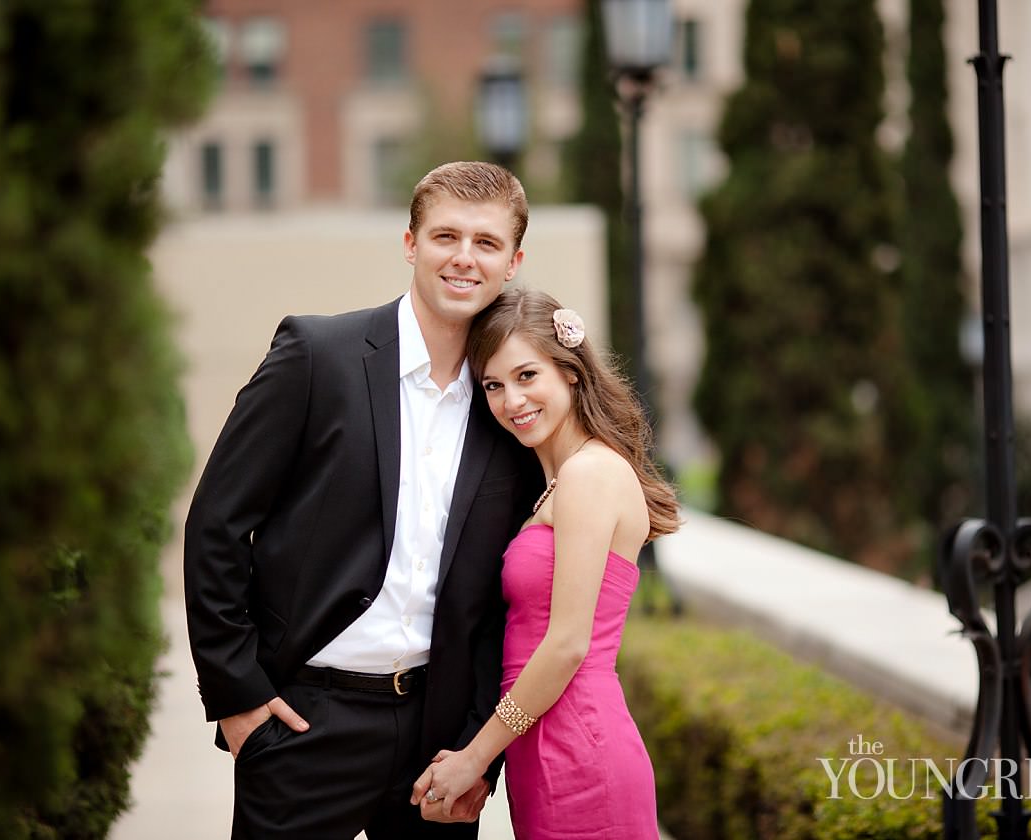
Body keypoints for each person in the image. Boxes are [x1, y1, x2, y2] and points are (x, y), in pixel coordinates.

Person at [183, 161, 543, 838]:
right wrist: (240, 698)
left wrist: (477, 752)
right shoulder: (318, 356)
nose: (464, 258)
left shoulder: (510, 407)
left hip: (437, 741)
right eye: (446, 237)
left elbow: (498, 598)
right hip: (304, 720)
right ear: (411, 243)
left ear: (513, 262)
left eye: (487, 243)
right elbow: (217, 526)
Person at [410, 288, 681, 838]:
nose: (512, 401)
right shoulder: (554, 484)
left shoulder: (589, 475)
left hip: (582, 749)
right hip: (543, 749)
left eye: (527, 376)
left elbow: (566, 644)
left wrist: (473, 758)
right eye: (493, 385)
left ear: (571, 373)